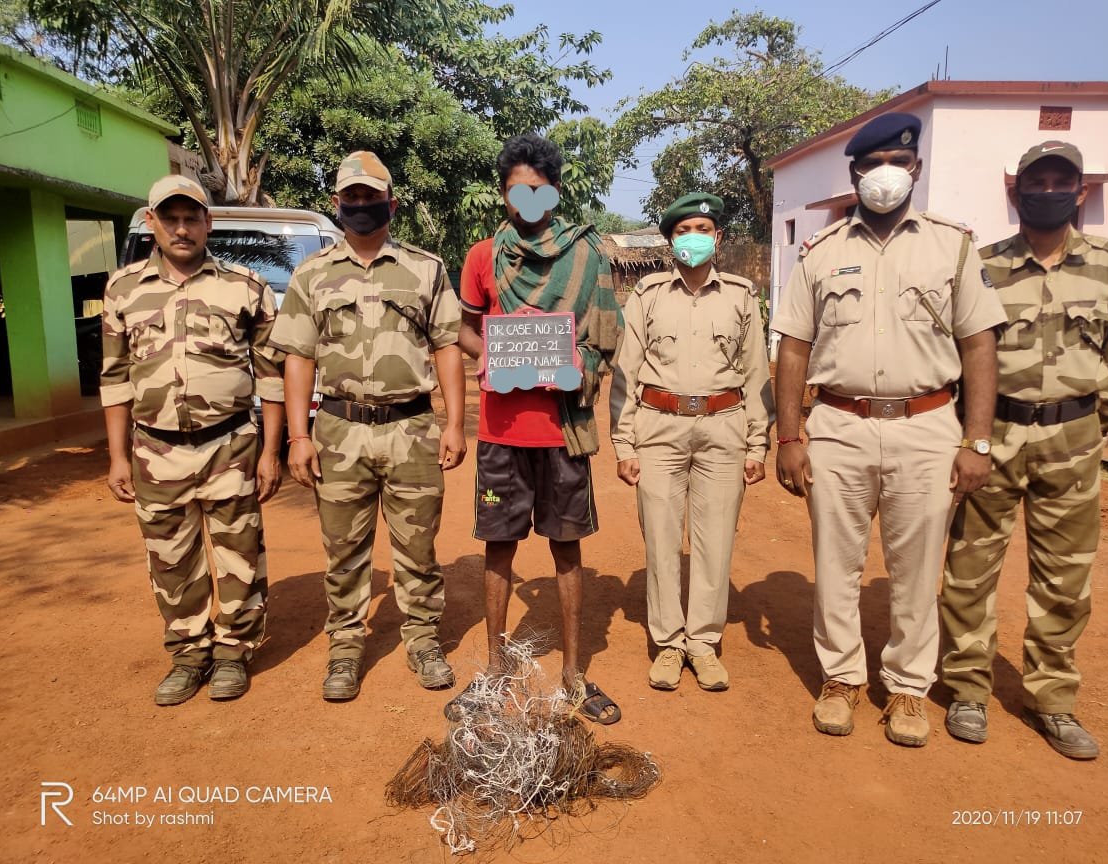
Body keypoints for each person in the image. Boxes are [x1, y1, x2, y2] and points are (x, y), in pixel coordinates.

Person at [772, 112, 1006, 747]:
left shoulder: (953, 246)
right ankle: (841, 677)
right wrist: (789, 437)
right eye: (872, 165)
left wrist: (977, 440)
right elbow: (793, 347)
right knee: (835, 562)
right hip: (839, 426)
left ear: (916, 169)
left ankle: (907, 687)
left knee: (917, 567)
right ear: (853, 174)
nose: (885, 175)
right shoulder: (821, 252)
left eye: (898, 164)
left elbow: (979, 345)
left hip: (927, 426)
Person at [940, 141, 1108, 760]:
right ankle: (967, 689)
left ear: (1080, 191)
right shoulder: (983, 266)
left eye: (1061, 182)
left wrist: (1086, 427)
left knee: (1064, 578)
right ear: (1016, 191)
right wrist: (970, 435)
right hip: (993, 434)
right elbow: (961, 356)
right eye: (1036, 182)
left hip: (1072, 440)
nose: (1048, 191)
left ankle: (1052, 699)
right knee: (970, 569)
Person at [270, 151, 466, 701]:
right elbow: (298, 357)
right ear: (337, 203)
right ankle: (346, 646)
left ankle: (423, 639)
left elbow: (447, 346)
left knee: (418, 544)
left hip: (412, 429)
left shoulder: (426, 269)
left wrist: (454, 423)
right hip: (339, 429)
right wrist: (298, 436)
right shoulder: (312, 274)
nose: (361, 205)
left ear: (391, 204)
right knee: (344, 549)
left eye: (370, 196)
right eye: (351, 196)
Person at [446, 133, 623, 724]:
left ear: (555, 192)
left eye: (538, 190)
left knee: (566, 547)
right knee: (498, 545)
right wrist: (491, 351)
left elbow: (605, 337)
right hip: (501, 431)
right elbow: (466, 329)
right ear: (503, 194)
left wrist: (573, 360)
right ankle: (496, 671)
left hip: (562, 429)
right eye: (515, 191)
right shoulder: (482, 257)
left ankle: (573, 674)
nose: (526, 201)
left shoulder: (586, 255)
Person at [101, 174, 284, 705]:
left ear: (208, 222)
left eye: (191, 218)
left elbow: (270, 375)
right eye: (170, 218)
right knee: (171, 558)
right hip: (154, 450)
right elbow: (114, 378)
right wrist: (117, 457)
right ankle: (188, 654)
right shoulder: (123, 289)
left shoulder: (245, 286)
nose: (181, 229)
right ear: (151, 222)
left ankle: (232, 653)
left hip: (230, 445)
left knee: (239, 554)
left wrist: (271, 452)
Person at [609, 193, 773, 691]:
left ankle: (702, 642)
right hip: (659, 428)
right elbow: (625, 372)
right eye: (683, 231)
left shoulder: (741, 295)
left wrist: (757, 444)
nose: (693, 238)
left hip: (724, 427)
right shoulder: (647, 295)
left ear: (717, 238)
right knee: (660, 538)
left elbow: (756, 373)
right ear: (670, 240)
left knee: (715, 541)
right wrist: (624, 445)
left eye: (702, 229)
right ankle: (668, 642)